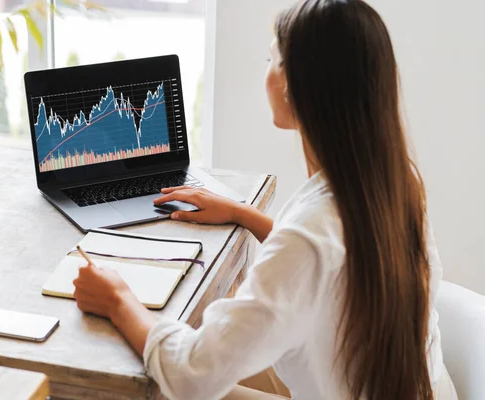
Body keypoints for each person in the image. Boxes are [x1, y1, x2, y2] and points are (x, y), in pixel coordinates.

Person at [72, 0, 459, 398]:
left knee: (152, 383)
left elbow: (191, 376)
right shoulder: (394, 180)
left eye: (271, 58)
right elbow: (333, 264)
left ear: (295, 86)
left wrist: (117, 298)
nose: (265, 71)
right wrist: (244, 214)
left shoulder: (308, 238)